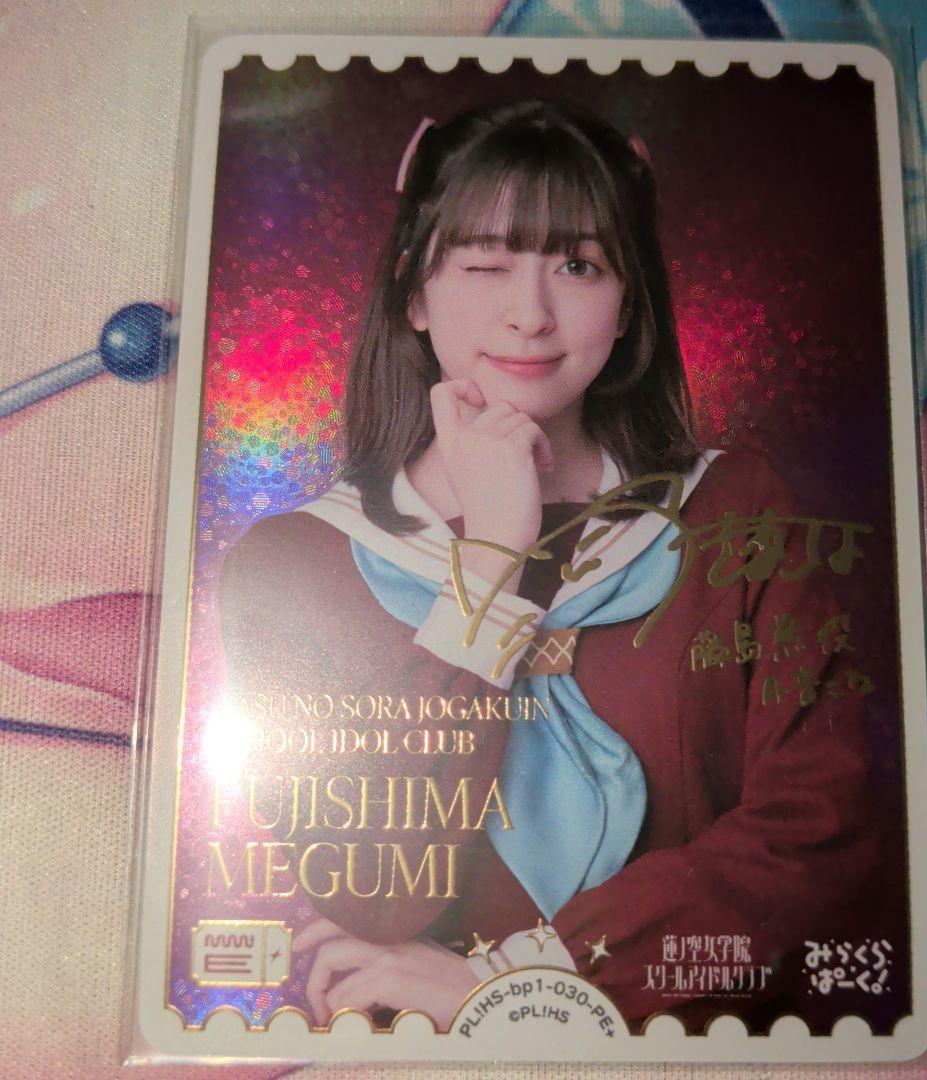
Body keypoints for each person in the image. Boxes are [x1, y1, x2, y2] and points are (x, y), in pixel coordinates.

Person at [217, 100, 881, 1034]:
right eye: (485, 265)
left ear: (628, 302)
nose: (529, 315)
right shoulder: (295, 566)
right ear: (413, 293)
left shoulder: (736, 514)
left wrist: (519, 981)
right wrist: (492, 554)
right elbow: (372, 889)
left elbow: (821, 830)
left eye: (578, 266)